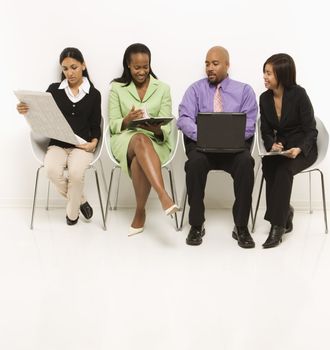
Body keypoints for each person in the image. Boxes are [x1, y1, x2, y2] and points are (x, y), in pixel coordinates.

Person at [177, 46, 258, 247]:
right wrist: (205, 136)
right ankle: (196, 225)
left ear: (227, 65)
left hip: (234, 149)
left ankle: (241, 226)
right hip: (202, 147)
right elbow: (184, 118)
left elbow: (250, 125)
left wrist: (228, 137)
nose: (210, 68)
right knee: (194, 164)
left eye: (215, 63)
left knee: (246, 163)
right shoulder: (195, 89)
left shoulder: (244, 91)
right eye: (207, 64)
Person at [17, 47, 102, 225]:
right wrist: (26, 110)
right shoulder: (54, 90)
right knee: (51, 171)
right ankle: (81, 201)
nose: (69, 73)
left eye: (74, 67)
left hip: (82, 146)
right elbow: (42, 115)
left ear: (83, 66)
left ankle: (72, 215)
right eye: (65, 69)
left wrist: (93, 143)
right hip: (57, 144)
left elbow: (95, 124)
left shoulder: (94, 94)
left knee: (76, 174)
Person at [109, 43, 179, 236]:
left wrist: (157, 129)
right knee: (139, 139)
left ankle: (140, 211)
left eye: (145, 66)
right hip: (125, 139)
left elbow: (167, 124)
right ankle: (163, 195)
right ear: (128, 66)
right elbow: (113, 123)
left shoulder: (163, 88)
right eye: (137, 67)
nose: (142, 71)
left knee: (139, 158)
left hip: (156, 141)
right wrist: (127, 119)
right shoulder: (117, 88)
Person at [260, 53, 318, 248]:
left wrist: (299, 149)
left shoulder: (299, 94)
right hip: (283, 147)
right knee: (268, 163)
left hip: (304, 148)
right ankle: (285, 211)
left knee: (284, 170)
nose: (265, 77)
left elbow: (311, 130)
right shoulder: (265, 98)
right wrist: (272, 145)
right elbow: (266, 130)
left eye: (269, 73)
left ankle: (278, 226)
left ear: (282, 74)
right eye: (264, 72)